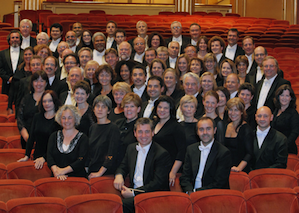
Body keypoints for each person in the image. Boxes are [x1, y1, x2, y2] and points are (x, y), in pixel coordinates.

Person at [114, 117, 171, 213]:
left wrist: (134, 193)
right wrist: (119, 175)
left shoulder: (161, 154)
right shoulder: (131, 148)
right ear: (135, 133)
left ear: (153, 133)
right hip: (135, 193)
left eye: (147, 132)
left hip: (153, 195)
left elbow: (158, 183)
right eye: (140, 132)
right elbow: (123, 166)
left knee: (120, 206)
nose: (143, 135)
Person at [180, 117, 231, 193]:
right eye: (201, 129)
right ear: (197, 132)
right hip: (192, 194)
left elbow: (219, 183)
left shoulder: (223, 152)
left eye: (208, 129)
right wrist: (189, 191)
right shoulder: (191, 149)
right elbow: (184, 177)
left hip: (214, 196)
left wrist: (196, 192)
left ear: (215, 130)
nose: (205, 132)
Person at [18, 90, 61, 169]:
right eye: (44, 101)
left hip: (52, 159)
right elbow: (31, 138)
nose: (47, 104)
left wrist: (44, 157)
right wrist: (27, 156)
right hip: (37, 157)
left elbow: (57, 144)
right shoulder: (37, 117)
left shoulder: (60, 120)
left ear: (55, 102)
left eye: (50, 101)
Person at [47, 105, 89, 180]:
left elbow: (81, 160)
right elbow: (49, 156)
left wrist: (63, 171)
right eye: (63, 118)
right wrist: (56, 171)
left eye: (70, 117)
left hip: (77, 179)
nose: (66, 121)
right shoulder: (53, 136)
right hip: (56, 177)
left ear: (75, 119)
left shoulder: (83, 138)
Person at [153, 95, 186, 186]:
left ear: (171, 109)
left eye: (166, 108)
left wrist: (173, 171)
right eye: (160, 107)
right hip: (155, 168)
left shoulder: (176, 127)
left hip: (169, 168)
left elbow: (181, 151)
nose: (162, 110)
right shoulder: (153, 124)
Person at [88, 95, 120, 178]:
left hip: (106, 173)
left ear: (109, 110)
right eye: (97, 106)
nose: (100, 109)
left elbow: (111, 154)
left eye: (103, 107)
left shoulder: (113, 128)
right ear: (93, 109)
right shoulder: (92, 128)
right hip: (92, 171)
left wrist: (99, 173)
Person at [17, 70, 48, 148]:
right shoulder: (26, 98)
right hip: (26, 137)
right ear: (32, 82)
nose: (38, 84)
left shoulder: (50, 99)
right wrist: (27, 137)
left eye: (42, 81)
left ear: (46, 83)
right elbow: (20, 119)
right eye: (36, 81)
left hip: (45, 139)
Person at [224, 97, 254, 173]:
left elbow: (249, 153)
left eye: (236, 110)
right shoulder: (226, 126)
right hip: (226, 167)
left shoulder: (246, 129)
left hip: (240, 169)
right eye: (230, 110)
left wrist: (238, 168)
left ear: (241, 112)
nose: (233, 113)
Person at [115, 93, 142, 164]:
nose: (128, 109)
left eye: (132, 106)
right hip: (116, 164)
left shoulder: (141, 126)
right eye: (126, 106)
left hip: (132, 164)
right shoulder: (118, 123)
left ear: (138, 109)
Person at [272, 84, 299, 155]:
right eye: (282, 95)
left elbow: (295, 132)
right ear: (278, 97)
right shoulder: (276, 110)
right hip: (275, 147)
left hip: (287, 149)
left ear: (291, 98)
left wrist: (284, 145)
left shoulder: (293, 113)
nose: (284, 98)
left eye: (287, 96)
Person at [8, 47, 33, 114]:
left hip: (33, 104)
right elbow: (12, 89)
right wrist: (9, 106)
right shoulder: (19, 69)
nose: (28, 56)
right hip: (19, 103)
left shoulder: (36, 70)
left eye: (30, 54)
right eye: (26, 54)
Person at [0, 30, 24, 95]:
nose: (15, 39)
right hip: (7, 84)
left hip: (21, 84)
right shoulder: (2, 53)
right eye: (13, 38)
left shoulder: (25, 53)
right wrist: (8, 78)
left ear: (20, 40)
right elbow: (0, 69)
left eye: (17, 37)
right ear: (9, 40)